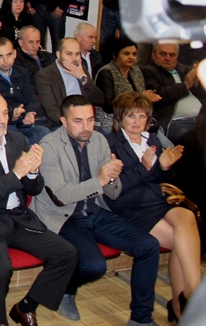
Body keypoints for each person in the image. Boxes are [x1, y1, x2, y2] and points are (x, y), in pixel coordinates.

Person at [33, 95, 161, 326]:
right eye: (78, 121)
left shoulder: (99, 140)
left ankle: (141, 319)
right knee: (94, 267)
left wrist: (112, 177)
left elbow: (112, 192)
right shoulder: (49, 146)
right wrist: (100, 180)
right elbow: (61, 196)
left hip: (95, 210)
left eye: (91, 120)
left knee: (149, 246)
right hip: (64, 217)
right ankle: (67, 289)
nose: (86, 127)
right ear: (63, 121)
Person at [0, 90, 78, 326]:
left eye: (5, 113)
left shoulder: (17, 140)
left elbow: (34, 189)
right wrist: (17, 173)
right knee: (1, 267)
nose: (3, 119)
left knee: (67, 254)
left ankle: (25, 307)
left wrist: (33, 172)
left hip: (18, 218)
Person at [106, 92, 201, 320]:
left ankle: (191, 293)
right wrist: (145, 167)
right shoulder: (110, 143)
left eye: (142, 116)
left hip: (157, 201)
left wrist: (165, 168)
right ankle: (185, 302)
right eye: (131, 116)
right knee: (181, 242)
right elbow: (115, 189)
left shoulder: (153, 140)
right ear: (120, 117)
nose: (137, 121)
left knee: (187, 218)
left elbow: (166, 182)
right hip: (131, 206)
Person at [0, 37, 50, 145]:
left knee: (45, 134)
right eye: (0, 56)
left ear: (15, 54)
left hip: (23, 122)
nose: (6, 60)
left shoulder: (22, 72)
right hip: (0, 124)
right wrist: (11, 114)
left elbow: (31, 99)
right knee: (22, 141)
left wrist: (30, 112)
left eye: (9, 55)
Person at [34, 37, 106, 129]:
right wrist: (72, 124)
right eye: (69, 54)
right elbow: (51, 110)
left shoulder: (82, 70)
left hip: (86, 122)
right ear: (58, 54)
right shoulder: (45, 75)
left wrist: (83, 78)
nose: (74, 59)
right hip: (61, 125)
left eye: (77, 54)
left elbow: (99, 100)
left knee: (106, 135)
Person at [142, 42, 205, 143]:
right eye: (163, 54)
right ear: (153, 55)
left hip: (201, 119)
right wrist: (186, 85)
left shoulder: (183, 69)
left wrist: (199, 80)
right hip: (175, 122)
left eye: (172, 55)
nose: (167, 58)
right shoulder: (147, 71)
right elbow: (159, 95)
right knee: (194, 139)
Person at [95, 36, 159, 126]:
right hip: (111, 119)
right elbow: (109, 106)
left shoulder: (136, 71)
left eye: (134, 54)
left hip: (134, 116)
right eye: (126, 54)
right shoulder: (106, 72)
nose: (131, 57)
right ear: (114, 55)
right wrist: (141, 96)